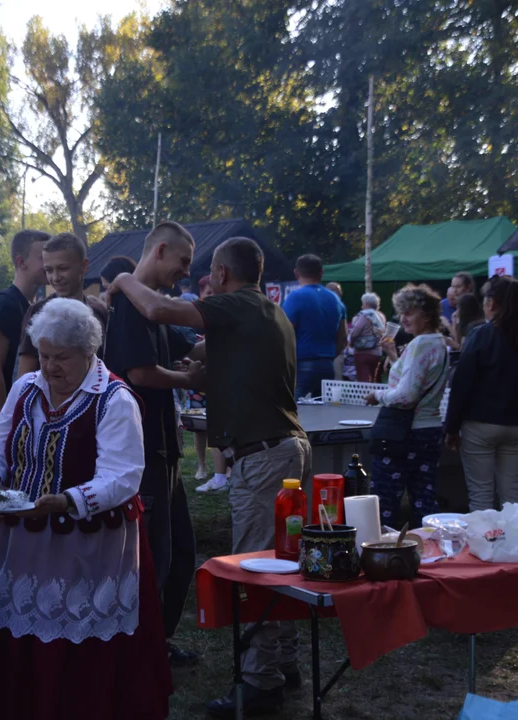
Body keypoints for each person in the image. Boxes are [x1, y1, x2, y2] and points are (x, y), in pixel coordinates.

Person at [107, 236, 309, 718]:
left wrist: (120, 279)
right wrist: (191, 366)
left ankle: (260, 682)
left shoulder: (237, 304)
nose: (192, 274)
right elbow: (201, 348)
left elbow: (157, 310)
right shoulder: (266, 311)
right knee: (283, 560)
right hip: (283, 450)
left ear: (220, 274)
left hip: (263, 457)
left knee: (261, 568)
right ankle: (285, 660)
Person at [0, 298, 172, 720]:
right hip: (23, 539)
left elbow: (123, 476)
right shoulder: (26, 388)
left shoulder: (115, 400)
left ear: (89, 352)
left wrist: (68, 502)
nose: (49, 367)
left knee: (78, 640)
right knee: (22, 632)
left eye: (61, 358)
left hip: (89, 546)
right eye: (43, 355)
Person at [104, 221, 204, 665]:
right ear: (160, 250)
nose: (184, 272)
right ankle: (142, 652)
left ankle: (155, 643)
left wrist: (180, 364)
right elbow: (139, 374)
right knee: (156, 556)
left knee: (181, 552)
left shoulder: (154, 305)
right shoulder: (129, 304)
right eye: (182, 262)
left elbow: (153, 363)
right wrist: (189, 378)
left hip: (164, 446)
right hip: (141, 450)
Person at [445, 277, 518, 511]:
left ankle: (485, 542)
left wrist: (452, 426)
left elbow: (462, 384)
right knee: (512, 491)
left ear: (492, 303)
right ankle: (516, 542)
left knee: (481, 494)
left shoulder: (481, 335)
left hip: (480, 423)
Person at [365, 285, 450, 528]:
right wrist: (393, 355)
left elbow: (407, 395)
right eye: (401, 313)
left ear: (427, 314)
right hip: (430, 429)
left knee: (385, 502)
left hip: (404, 433)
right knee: (424, 498)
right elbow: (415, 379)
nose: (403, 318)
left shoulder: (420, 344)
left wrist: (377, 395)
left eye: (409, 313)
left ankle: (385, 554)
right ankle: (429, 551)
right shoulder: (438, 343)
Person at [0, 229, 49, 445]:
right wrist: (5, 426)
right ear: (21, 261)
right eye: (42, 257)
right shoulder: (4, 305)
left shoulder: (28, 306)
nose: (49, 263)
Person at [18, 233, 108, 378]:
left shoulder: (99, 312)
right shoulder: (39, 312)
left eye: (63, 268)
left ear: (84, 266)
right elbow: (25, 375)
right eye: (49, 270)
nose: (55, 277)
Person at [282, 254, 346, 399]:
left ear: (296, 273)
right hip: (328, 366)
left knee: (294, 411)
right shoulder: (335, 299)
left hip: (302, 365)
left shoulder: (294, 297)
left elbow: (285, 335)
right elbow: (343, 339)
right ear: (321, 273)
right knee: (322, 414)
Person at [190, 276, 229, 492]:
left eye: (215, 293)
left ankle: (224, 474)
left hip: (221, 383)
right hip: (201, 383)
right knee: (202, 429)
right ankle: (207, 469)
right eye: (207, 294)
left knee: (220, 427)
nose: (211, 297)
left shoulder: (223, 318)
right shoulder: (195, 321)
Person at [349, 292, 386, 382]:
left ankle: (365, 396)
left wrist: (350, 342)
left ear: (366, 304)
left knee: (363, 380)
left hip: (363, 352)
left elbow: (356, 331)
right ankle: (374, 395)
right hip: (377, 352)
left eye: (362, 303)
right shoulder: (381, 316)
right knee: (374, 378)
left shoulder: (364, 315)